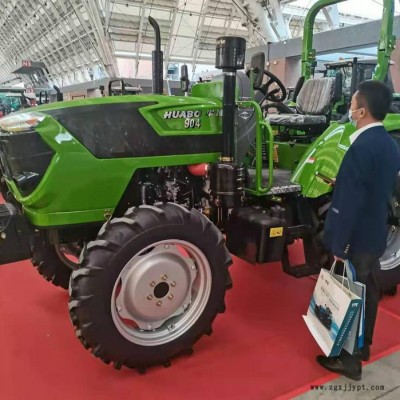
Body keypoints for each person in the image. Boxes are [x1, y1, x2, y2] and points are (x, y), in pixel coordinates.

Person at [319, 80, 400, 381]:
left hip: (356, 237)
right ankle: (364, 346)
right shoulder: (389, 144)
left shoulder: (359, 147)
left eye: (352, 105)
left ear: (362, 110)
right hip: (375, 231)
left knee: (350, 293)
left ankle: (349, 360)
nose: (349, 110)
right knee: (369, 290)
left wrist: (339, 245)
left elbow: (349, 204)